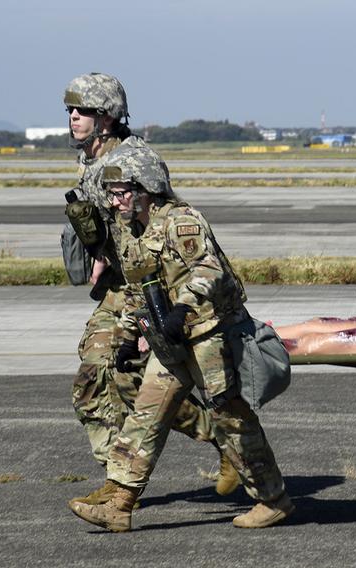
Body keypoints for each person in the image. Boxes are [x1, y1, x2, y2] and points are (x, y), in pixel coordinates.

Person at [68, 145, 292, 532]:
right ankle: (119, 504)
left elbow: (210, 270)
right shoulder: (128, 231)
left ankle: (272, 500)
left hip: (211, 335)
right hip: (171, 340)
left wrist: (182, 309)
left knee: (231, 418)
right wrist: (126, 335)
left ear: (146, 189)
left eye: (122, 192)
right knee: (146, 414)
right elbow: (137, 289)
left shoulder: (181, 221)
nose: (114, 200)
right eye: (112, 193)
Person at [61, 73, 236, 507]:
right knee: (93, 378)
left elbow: (159, 221)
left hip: (152, 283)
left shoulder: (135, 158)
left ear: (107, 117)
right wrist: (100, 251)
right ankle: (115, 478)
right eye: (70, 111)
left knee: (143, 381)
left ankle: (224, 440)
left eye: (81, 111)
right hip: (121, 285)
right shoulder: (90, 158)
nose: (72, 118)